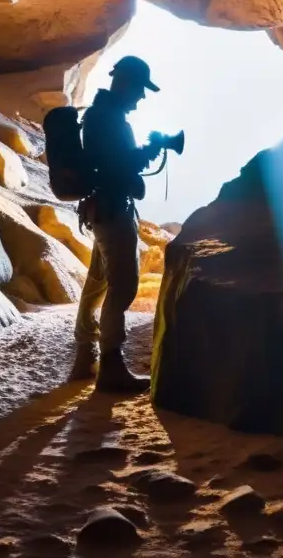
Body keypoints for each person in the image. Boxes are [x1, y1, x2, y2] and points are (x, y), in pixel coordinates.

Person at [71, 56, 166, 392]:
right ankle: (110, 363)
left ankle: (85, 357)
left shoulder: (101, 116)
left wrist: (142, 152)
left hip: (101, 209)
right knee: (123, 285)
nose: (141, 98)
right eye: (140, 89)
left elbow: (111, 161)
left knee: (97, 283)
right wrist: (149, 151)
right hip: (112, 210)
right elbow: (118, 166)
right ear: (124, 82)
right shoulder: (108, 119)